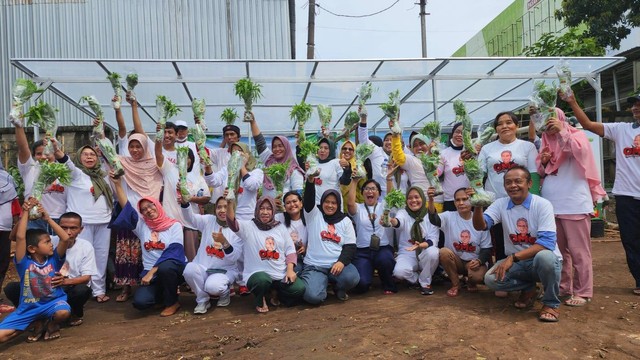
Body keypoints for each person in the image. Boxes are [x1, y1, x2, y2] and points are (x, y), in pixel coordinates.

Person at [562, 90, 640, 296]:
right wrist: (572, 101)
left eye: (639, 105)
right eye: (633, 105)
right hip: (626, 195)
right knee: (630, 240)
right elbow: (588, 125)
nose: (635, 108)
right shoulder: (621, 130)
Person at [472, 165, 562, 322]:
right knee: (490, 279)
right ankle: (529, 288)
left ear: (529, 184)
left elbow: (546, 243)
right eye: (508, 182)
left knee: (545, 258)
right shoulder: (501, 204)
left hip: (539, 260)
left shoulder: (542, 204)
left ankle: (550, 303)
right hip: (520, 263)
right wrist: (478, 204)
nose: (513, 185)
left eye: (518, 181)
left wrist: (512, 258)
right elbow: (481, 225)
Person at [536, 107, 606, 306]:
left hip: (574, 203)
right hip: (551, 205)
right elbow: (540, 172)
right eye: (545, 123)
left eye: (551, 121)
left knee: (579, 251)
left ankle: (583, 291)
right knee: (558, 251)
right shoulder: (545, 142)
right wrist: (543, 162)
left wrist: (561, 131)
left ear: (559, 119)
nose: (548, 126)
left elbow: (580, 152)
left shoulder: (576, 135)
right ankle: (563, 287)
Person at [110, 173, 186, 317]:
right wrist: (118, 184)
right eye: (144, 209)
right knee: (140, 302)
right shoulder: (143, 226)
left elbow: (173, 251)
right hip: (151, 273)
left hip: (172, 268)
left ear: (157, 205)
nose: (148, 210)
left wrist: (152, 272)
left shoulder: (174, 225)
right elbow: (126, 209)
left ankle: (172, 302)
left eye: (151, 206)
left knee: (166, 267)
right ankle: (162, 295)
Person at [5, 212, 98, 326]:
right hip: (42, 288)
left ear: (81, 229)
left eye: (73, 228)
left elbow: (86, 278)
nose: (68, 232)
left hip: (67, 287)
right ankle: (33, 315)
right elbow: (16, 238)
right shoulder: (47, 240)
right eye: (63, 227)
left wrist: (64, 281)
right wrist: (26, 214)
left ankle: (71, 314)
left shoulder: (86, 246)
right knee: (11, 288)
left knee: (82, 290)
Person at [0, 199, 71, 343]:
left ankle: (50, 323)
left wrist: (48, 218)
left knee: (63, 312)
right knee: (1, 337)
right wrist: (25, 212)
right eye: (46, 242)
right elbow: (20, 238)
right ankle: (33, 323)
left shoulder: (54, 260)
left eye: (50, 241)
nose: (51, 245)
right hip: (28, 308)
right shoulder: (23, 263)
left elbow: (65, 238)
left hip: (53, 303)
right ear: (32, 248)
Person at [53, 143, 113, 303]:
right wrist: (57, 151)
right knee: (81, 257)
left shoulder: (103, 175)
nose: (89, 157)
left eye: (92, 154)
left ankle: (99, 290)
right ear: (79, 157)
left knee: (101, 257)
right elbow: (66, 162)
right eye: (85, 154)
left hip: (104, 222)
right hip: (82, 224)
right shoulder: (76, 174)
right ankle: (80, 289)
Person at [477, 111, 539, 264]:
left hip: (521, 204)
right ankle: (502, 278)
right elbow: (478, 176)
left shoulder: (527, 147)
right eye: (500, 124)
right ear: (496, 129)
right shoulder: (487, 149)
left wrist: (533, 202)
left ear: (516, 126)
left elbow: (534, 176)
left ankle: (528, 278)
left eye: (509, 122)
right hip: (496, 204)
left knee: (525, 239)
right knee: (499, 243)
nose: (504, 126)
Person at [226, 195, 305, 313]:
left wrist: (290, 270)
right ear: (257, 210)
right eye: (262, 208)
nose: (265, 212)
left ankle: (275, 293)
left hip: (279, 274)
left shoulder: (280, 228)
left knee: (299, 289)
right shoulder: (248, 227)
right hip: (256, 275)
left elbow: (290, 250)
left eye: (268, 209)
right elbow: (232, 223)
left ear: (273, 211)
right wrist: (229, 203)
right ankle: (260, 298)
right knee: (262, 280)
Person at [300, 173, 360, 304]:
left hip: (336, 265)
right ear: (322, 202)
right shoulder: (314, 215)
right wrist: (310, 181)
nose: (330, 205)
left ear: (338, 204)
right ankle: (322, 285)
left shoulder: (345, 221)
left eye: (333, 203)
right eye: (327, 202)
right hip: (315, 265)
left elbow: (350, 247)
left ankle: (338, 287)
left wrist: (341, 262)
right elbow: (309, 200)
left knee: (352, 278)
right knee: (312, 297)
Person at [180, 196, 242, 314]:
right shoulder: (209, 220)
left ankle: (225, 292)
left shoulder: (237, 228)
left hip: (224, 270)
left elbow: (234, 257)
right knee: (189, 270)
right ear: (215, 210)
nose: (222, 210)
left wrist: (224, 242)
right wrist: (184, 203)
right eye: (219, 207)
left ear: (232, 208)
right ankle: (202, 300)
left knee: (213, 287)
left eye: (226, 206)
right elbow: (190, 218)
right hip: (203, 266)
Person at [154, 133, 210, 261]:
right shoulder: (169, 170)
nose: (185, 160)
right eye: (182, 156)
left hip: (190, 222)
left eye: (188, 157)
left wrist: (190, 198)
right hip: (172, 222)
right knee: (172, 255)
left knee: (191, 257)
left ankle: (189, 280)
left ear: (192, 159)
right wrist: (160, 131)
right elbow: (158, 153)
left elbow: (207, 197)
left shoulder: (197, 177)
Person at [427, 187, 491, 297]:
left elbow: (487, 248)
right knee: (444, 252)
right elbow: (434, 220)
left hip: (473, 262)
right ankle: (455, 284)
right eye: (457, 200)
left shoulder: (480, 219)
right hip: (456, 261)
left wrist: (480, 261)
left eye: (465, 199)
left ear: (472, 200)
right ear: (454, 202)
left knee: (477, 277)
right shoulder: (448, 216)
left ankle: (470, 282)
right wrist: (431, 200)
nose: (461, 203)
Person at [13, 116, 66, 233]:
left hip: (59, 219)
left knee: (57, 250)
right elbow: (23, 148)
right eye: (38, 154)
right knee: (34, 250)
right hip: (34, 218)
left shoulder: (64, 170)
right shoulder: (30, 168)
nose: (43, 156)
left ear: (55, 153)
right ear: (34, 156)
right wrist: (18, 125)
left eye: (47, 153)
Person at [383, 186, 440, 295]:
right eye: (410, 198)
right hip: (407, 252)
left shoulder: (430, 214)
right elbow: (399, 222)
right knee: (399, 272)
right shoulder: (403, 212)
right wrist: (392, 221)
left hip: (425, 252)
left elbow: (433, 239)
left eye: (416, 197)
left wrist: (422, 245)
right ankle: (418, 278)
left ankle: (425, 283)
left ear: (423, 198)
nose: (413, 200)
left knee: (433, 252)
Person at [347, 179, 396, 294]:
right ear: (362, 193)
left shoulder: (383, 206)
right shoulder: (358, 208)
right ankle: (367, 278)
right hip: (362, 251)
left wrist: (389, 178)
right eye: (367, 189)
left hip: (382, 248)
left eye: (373, 189)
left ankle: (388, 284)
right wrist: (354, 182)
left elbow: (391, 196)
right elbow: (350, 204)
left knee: (386, 260)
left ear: (379, 193)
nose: (370, 191)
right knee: (362, 284)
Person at [249, 117, 305, 200]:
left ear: (287, 147)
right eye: (274, 147)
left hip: (284, 211)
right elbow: (260, 143)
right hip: (267, 210)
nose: (277, 149)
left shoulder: (293, 169)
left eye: (280, 146)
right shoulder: (270, 160)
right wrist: (252, 122)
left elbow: (298, 196)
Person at [0, 157, 20, 313]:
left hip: (4, 229)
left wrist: (16, 224)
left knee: (2, 263)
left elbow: (15, 204)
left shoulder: (7, 178)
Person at [438, 123, 470, 212]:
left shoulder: (473, 153)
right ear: (452, 134)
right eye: (457, 132)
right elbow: (437, 173)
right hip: (450, 199)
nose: (460, 135)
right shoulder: (444, 153)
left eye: (463, 133)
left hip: (469, 198)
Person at [274, 191, 307, 271]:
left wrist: (306, 248)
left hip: (301, 259)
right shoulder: (279, 218)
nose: (292, 205)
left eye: (295, 201)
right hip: (282, 258)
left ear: (301, 203)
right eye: (288, 203)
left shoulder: (308, 219)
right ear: (284, 206)